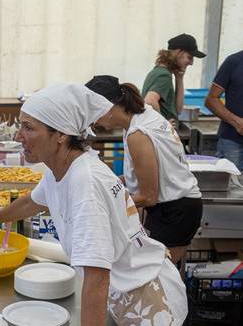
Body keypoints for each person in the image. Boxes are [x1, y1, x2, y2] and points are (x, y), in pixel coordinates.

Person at [0, 84, 196, 326]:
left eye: (28, 127)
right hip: (125, 292)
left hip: (146, 299)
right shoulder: (63, 168)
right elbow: (34, 201)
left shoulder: (85, 184)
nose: (20, 135)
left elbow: (96, 276)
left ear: (61, 134)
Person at [86, 75, 202, 263]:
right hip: (171, 208)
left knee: (158, 277)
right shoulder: (141, 116)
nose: (94, 120)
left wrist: (105, 205)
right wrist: (107, 183)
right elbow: (138, 176)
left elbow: (149, 196)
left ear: (109, 106)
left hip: (176, 210)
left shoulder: (138, 134)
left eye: (93, 111)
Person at [142, 33, 206, 126]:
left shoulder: (161, 72)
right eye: (190, 57)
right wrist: (163, 125)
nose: (191, 63)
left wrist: (179, 78)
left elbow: (178, 109)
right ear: (178, 53)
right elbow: (150, 101)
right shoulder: (163, 75)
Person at [205, 50, 243, 170]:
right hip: (232, 142)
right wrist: (237, 122)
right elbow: (211, 100)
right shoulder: (234, 62)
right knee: (229, 185)